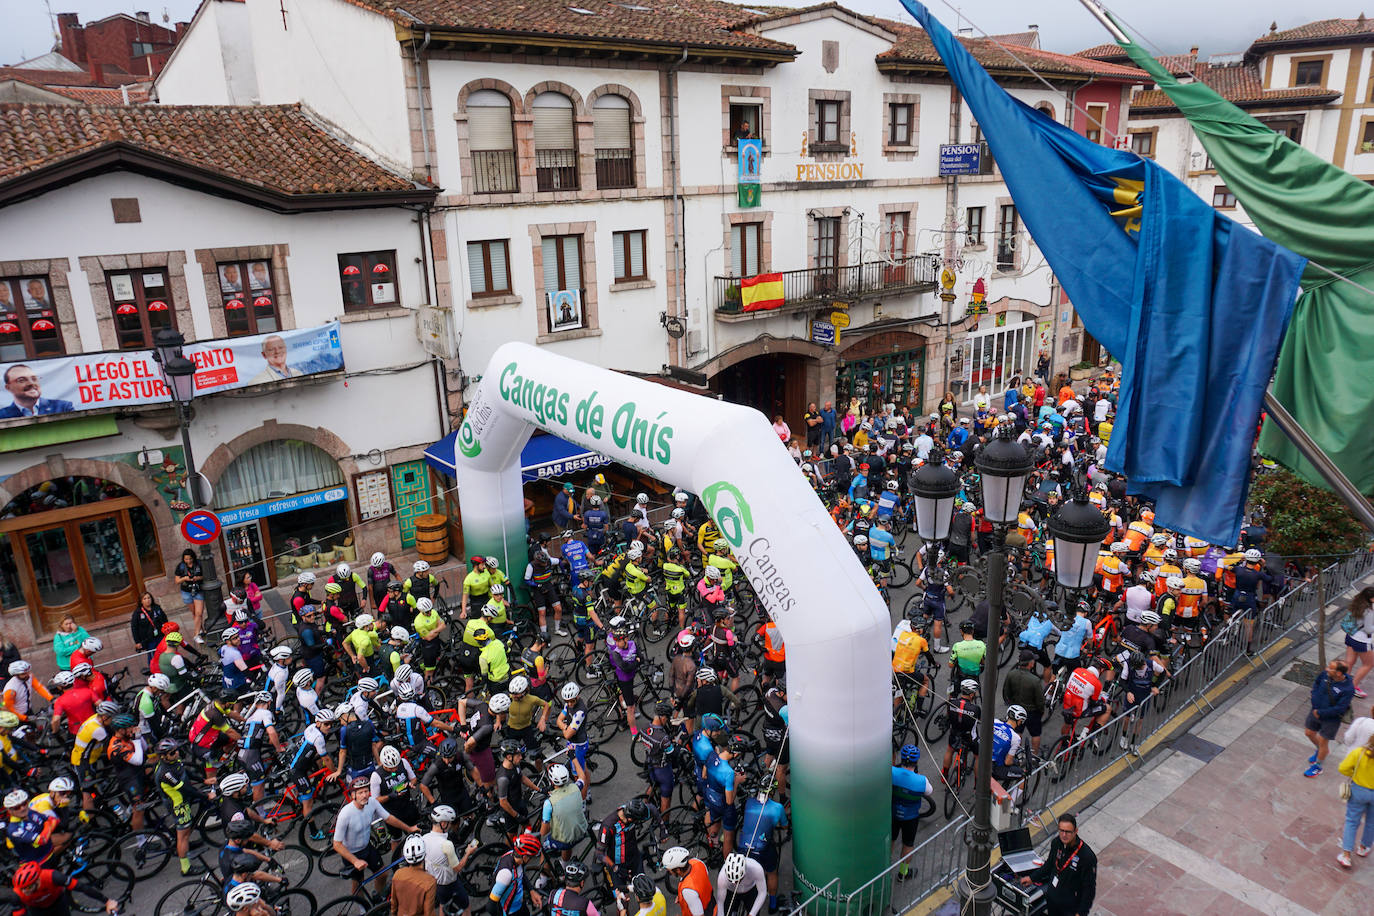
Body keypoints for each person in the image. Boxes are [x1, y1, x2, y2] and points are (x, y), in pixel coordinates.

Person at [333, 776, 421, 896]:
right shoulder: (346, 814)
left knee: (382, 874)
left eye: (366, 791)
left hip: (367, 848)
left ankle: (378, 899)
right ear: (353, 795)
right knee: (358, 884)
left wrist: (409, 829)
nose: (364, 795)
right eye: (360, 793)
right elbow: (337, 844)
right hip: (352, 854)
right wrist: (355, 861)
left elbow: (389, 818)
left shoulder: (372, 803)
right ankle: (362, 910)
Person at [1020, 814, 1096, 916]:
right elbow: (1049, 866)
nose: (1064, 835)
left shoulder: (1087, 857)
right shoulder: (1056, 843)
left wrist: (1081, 913)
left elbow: (1089, 889)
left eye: (1068, 832)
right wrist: (1032, 878)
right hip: (1052, 901)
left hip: (1070, 908)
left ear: (1076, 831)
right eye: (1061, 830)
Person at [11, 860, 120, 915]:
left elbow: (82, 887)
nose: (25, 891)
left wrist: (107, 901)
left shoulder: (53, 877)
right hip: (37, 911)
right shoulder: (17, 894)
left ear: (38, 880)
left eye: (28, 887)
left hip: (59, 904)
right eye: (22, 888)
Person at [1305, 660, 1355, 777]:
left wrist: (1321, 712)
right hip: (1315, 710)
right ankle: (1321, 751)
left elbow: (1340, 708)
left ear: (1338, 673)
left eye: (1330, 668)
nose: (1327, 669)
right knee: (1309, 733)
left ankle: (1318, 766)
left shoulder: (1348, 689)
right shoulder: (1324, 675)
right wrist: (1313, 694)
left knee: (1323, 740)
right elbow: (1317, 683)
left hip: (1331, 719)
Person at [891, 745, 932, 881]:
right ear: (916, 761)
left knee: (891, 840)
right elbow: (929, 792)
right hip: (910, 817)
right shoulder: (922, 781)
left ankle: (884, 868)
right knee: (908, 844)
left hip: (893, 814)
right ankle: (903, 873)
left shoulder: (892, 772)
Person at [1337, 731, 1374, 867]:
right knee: (1371, 822)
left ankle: (1346, 855)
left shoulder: (1359, 753)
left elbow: (1343, 768)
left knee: (1352, 821)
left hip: (1359, 790)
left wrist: (1354, 774)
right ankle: (1364, 848)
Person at [0, 365, 73, 418]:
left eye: (34, 379)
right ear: (8, 387)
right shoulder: (2, 415)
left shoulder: (63, 407)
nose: (31, 383)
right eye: (22, 380)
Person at [392, 834, 439, 916]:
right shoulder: (430, 882)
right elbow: (429, 912)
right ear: (424, 854)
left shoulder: (398, 874)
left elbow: (394, 904)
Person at [1342, 586, 1374, 699]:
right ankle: (1352, 688)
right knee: (1369, 664)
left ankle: (1342, 684)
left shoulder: (1358, 604)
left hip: (1351, 636)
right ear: (1371, 599)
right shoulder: (1369, 611)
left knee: (1349, 662)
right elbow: (1369, 629)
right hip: (1362, 640)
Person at [663, 847, 714, 916]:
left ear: (678, 870)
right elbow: (701, 883)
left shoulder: (688, 891)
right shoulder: (696, 862)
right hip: (711, 903)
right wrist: (682, 897)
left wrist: (688, 896)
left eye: (669, 870)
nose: (669, 872)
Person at [174, 548, 206, 644]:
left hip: (198, 590)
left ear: (193, 558)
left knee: (199, 613)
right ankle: (201, 630)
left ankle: (196, 635)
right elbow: (176, 581)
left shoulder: (199, 564)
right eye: (186, 559)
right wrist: (185, 578)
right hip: (187, 591)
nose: (188, 561)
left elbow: (206, 575)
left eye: (190, 559)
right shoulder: (181, 566)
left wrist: (198, 577)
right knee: (194, 613)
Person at [130, 591, 169, 663]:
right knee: (153, 658)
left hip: (160, 635)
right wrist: (137, 642)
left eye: (149, 598)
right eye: (145, 599)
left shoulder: (157, 608)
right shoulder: (137, 613)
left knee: (165, 653)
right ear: (141, 601)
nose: (147, 600)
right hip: (149, 639)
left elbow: (165, 619)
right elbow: (134, 628)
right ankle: (154, 672)